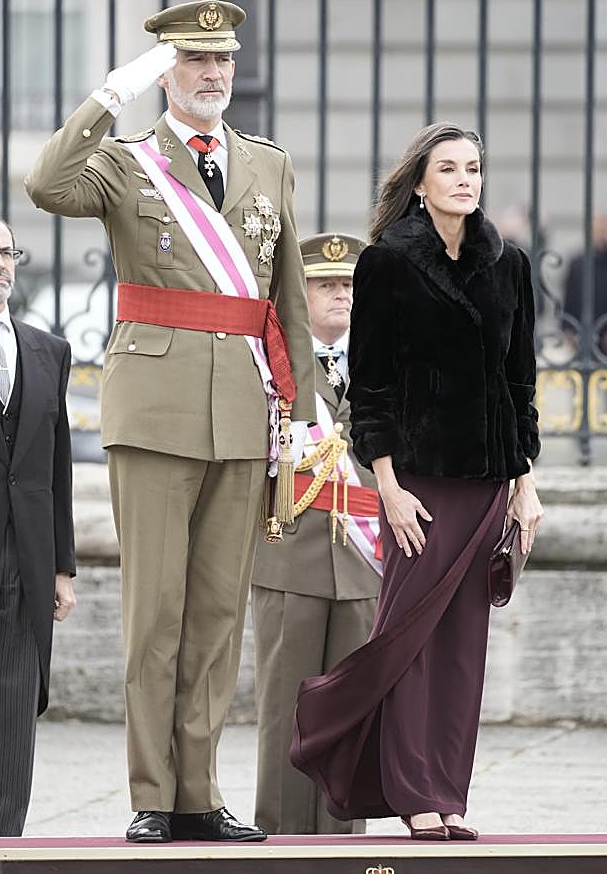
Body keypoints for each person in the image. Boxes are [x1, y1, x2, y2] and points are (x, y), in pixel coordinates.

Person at [25, 0, 315, 844]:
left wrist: (299, 417)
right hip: (154, 410)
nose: (212, 74)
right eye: (194, 60)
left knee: (218, 617)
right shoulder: (126, 164)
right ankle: (153, 793)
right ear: (164, 72)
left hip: (244, 409)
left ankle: (200, 794)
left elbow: (289, 300)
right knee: (155, 614)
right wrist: (110, 95)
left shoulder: (268, 164)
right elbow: (46, 185)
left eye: (222, 60)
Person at [290, 123, 543, 841]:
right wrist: (389, 486)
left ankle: (447, 794)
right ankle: (407, 789)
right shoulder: (387, 263)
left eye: (474, 168)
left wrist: (525, 484)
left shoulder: (510, 265)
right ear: (421, 183)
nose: (465, 180)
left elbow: (519, 386)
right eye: (450, 169)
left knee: (462, 647)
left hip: (488, 485)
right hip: (419, 487)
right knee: (408, 639)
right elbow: (370, 388)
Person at [252, 233, 381, 835]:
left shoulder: (385, 361)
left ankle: (342, 842)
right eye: (325, 284)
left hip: (364, 559)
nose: (341, 295)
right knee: (285, 708)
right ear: (298, 295)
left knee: (353, 709)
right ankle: (282, 839)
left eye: (349, 284)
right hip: (289, 553)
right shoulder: (270, 361)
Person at [0, 211, 76, 836]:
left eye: (7, 252)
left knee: (12, 710)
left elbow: (56, 465)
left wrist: (63, 566)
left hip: (29, 561)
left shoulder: (49, 351)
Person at [563, 213, 607, 358]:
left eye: (602, 229)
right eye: (596, 229)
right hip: (581, 332)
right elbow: (569, 298)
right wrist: (567, 329)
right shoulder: (577, 262)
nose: (599, 233)